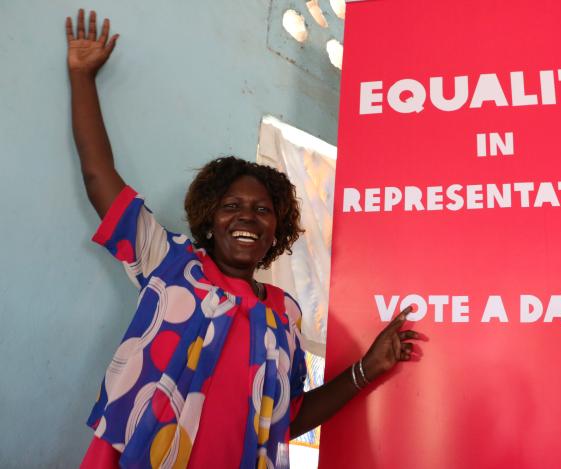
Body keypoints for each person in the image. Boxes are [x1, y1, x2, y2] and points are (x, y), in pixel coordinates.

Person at [66, 9, 423, 469]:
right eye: (232, 205)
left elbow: (284, 420)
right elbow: (99, 178)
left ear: (277, 229)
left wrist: (367, 369)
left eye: (262, 210)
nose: (247, 218)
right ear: (209, 217)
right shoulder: (170, 263)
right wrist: (81, 77)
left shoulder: (284, 312)